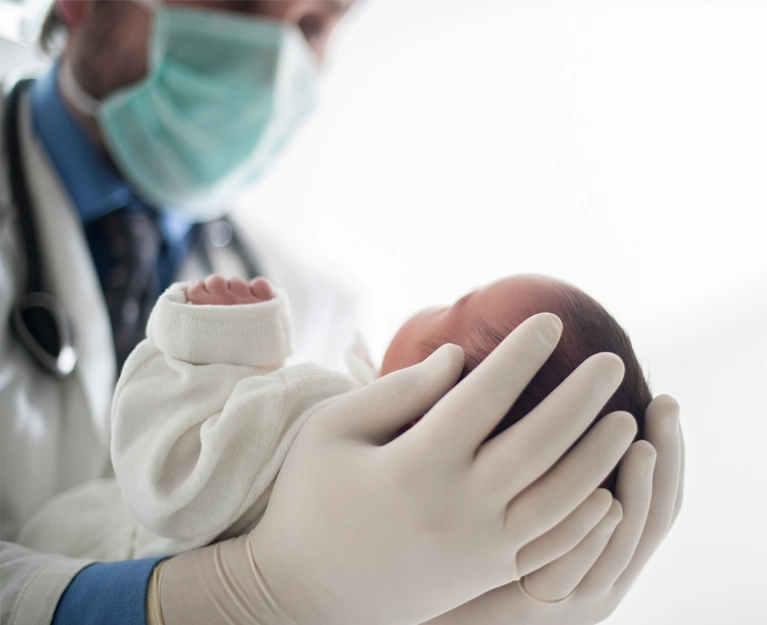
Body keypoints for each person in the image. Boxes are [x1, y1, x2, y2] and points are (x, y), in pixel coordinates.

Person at [0, 0, 685, 624]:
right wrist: (240, 598)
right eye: (242, 5)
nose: (276, 61)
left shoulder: (317, 307)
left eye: (315, 24)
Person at [18, 272, 653, 563]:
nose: (436, 299)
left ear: (439, 387)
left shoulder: (324, 417)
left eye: (458, 303)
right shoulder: (414, 555)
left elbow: (171, 472)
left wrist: (215, 336)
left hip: (67, 560)